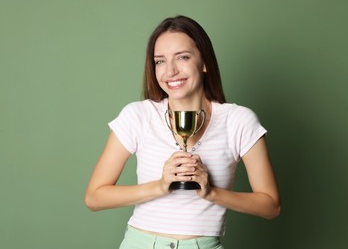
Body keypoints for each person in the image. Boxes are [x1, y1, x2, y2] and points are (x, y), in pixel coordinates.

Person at [85, 15, 280, 249]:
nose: (170, 71)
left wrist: (211, 192)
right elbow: (94, 197)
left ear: (204, 62)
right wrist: (159, 186)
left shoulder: (238, 120)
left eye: (183, 57)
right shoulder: (139, 115)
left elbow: (270, 206)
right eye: (160, 61)